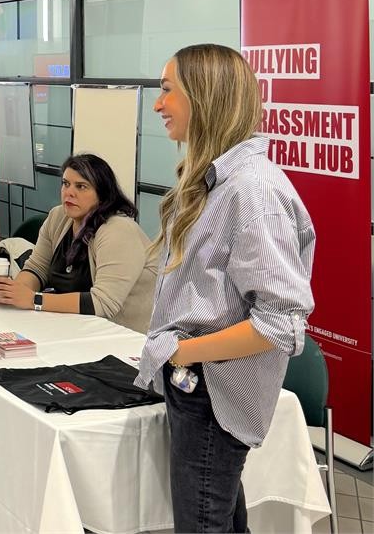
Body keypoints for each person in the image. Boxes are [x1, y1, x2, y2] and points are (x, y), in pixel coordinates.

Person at [133, 44, 315, 533]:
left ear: (204, 97)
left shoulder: (251, 191)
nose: (157, 104)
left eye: (167, 90)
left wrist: (183, 351)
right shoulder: (220, 181)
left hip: (212, 395)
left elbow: (280, 325)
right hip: (199, 385)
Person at [0, 154, 158, 334]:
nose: (69, 192)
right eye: (65, 183)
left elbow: (103, 304)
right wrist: (8, 291)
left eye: (81, 186)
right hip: (77, 329)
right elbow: (37, 269)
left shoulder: (119, 230)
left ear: (102, 194)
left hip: (126, 338)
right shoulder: (58, 216)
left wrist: (34, 300)